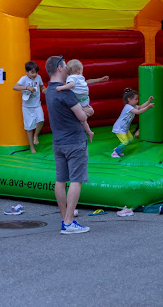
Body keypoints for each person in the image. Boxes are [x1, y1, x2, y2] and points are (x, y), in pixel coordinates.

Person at [45, 55, 94, 234]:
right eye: (64, 65)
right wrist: (88, 111)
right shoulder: (65, 91)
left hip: (58, 141)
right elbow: (81, 116)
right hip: (74, 140)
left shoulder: (49, 90)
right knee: (76, 180)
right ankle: (69, 222)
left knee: (60, 181)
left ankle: (65, 218)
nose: (66, 68)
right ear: (59, 68)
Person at [13, 61, 47, 153]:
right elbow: (15, 87)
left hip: (37, 105)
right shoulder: (24, 79)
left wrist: (44, 89)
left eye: (36, 72)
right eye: (32, 72)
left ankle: (36, 135)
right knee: (29, 127)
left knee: (41, 120)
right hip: (27, 107)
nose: (35, 74)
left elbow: (42, 86)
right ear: (26, 72)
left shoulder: (38, 77)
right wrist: (27, 87)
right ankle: (32, 147)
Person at [111, 88, 154, 158]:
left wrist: (148, 101)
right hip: (119, 128)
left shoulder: (134, 106)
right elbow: (138, 112)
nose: (137, 101)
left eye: (137, 99)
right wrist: (148, 107)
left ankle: (118, 149)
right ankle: (115, 152)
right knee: (125, 142)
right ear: (129, 99)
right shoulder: (128, 107)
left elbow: (140, 107)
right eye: (135, 99)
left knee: (130, 139)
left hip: (124, 128)